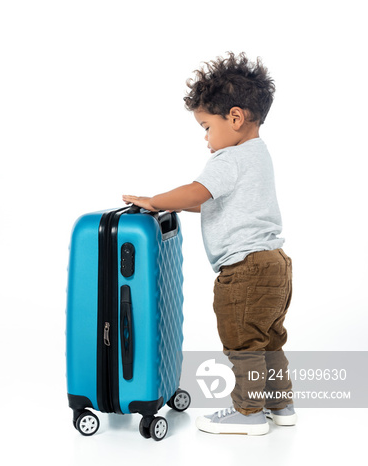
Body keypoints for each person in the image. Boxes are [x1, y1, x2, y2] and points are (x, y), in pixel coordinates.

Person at [123, 52, 296, 435]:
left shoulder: (228, 158)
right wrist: (184, 207)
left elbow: (196, 192)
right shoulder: (259, 155)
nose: (205, 137)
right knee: (269, 341)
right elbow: (219, 205)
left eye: (206, 126)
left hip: (245, 269)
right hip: (276, 264)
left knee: (242, 343)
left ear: (234, 118)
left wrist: (154, 201)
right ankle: (280, 406)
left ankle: (248, 415)